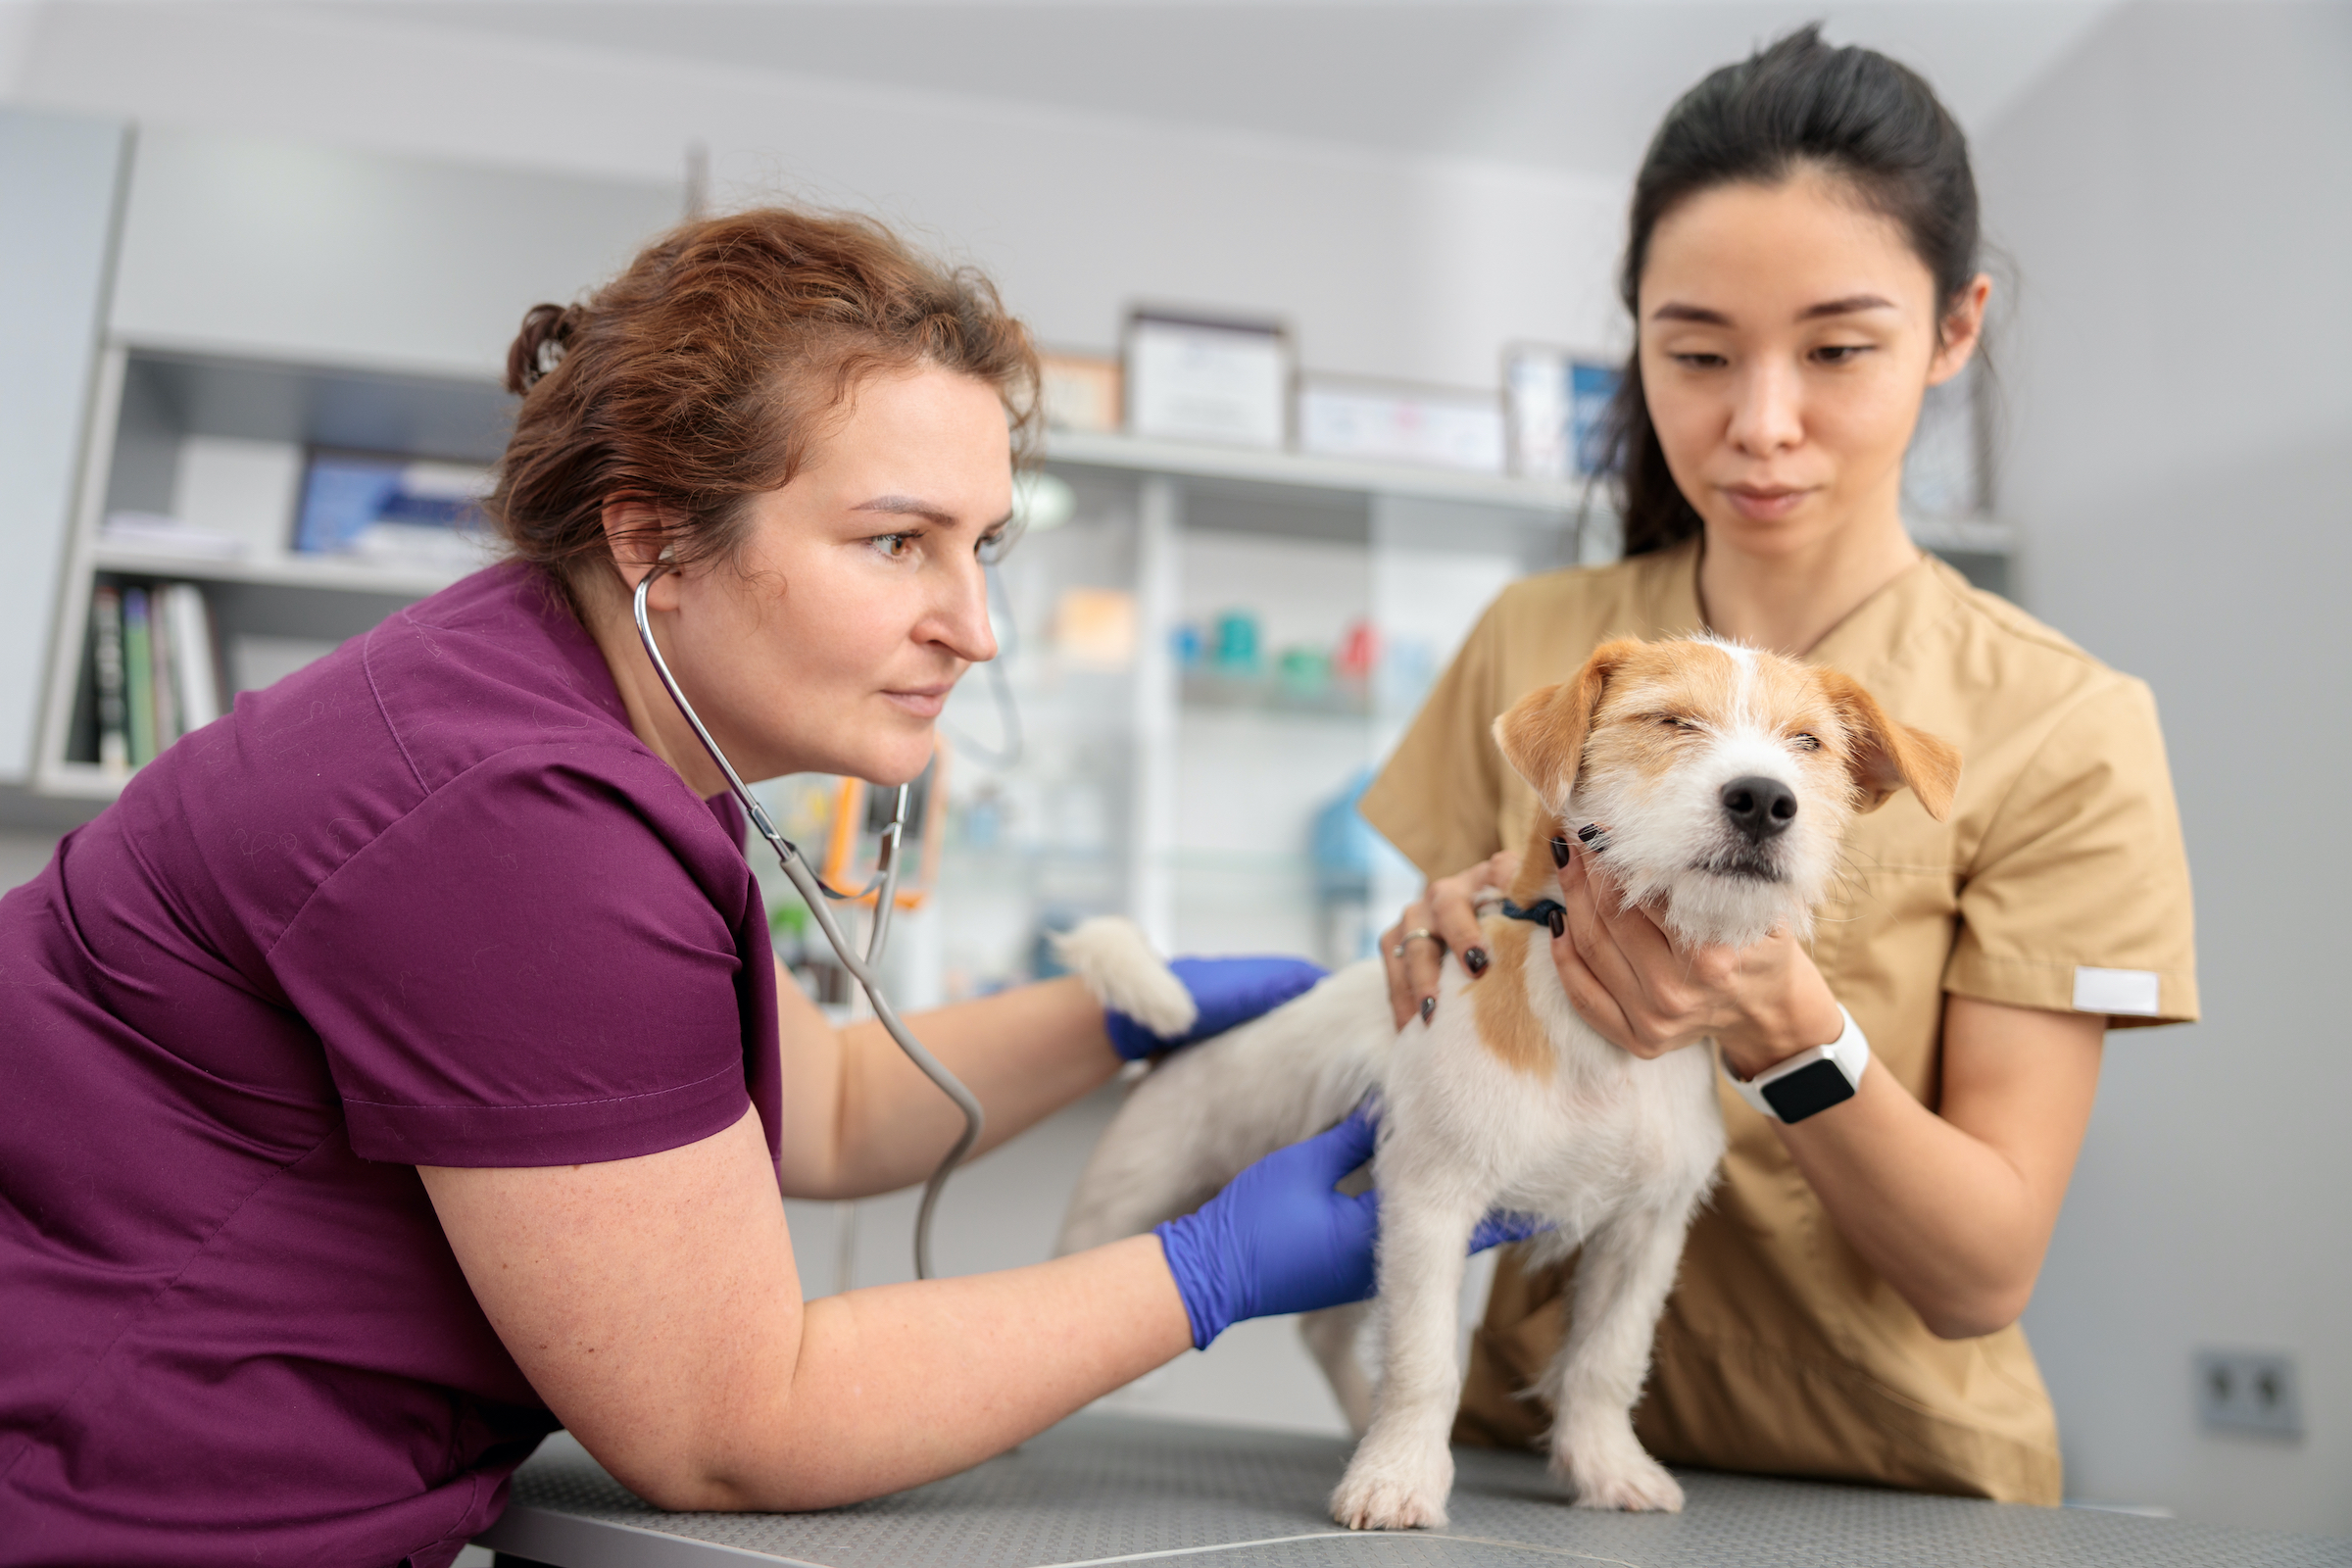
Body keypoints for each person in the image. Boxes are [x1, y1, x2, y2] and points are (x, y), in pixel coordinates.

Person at [0, 209, 1524, 1566]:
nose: (974, 626)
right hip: (119, 1508)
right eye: (895, 544)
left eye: (983, 546)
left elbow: (837, 1106)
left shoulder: (591, 734)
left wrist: (1128, 1014)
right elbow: (728, 1424)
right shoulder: (521, 823)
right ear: (657, 537)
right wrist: (1212, 1267)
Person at [1361, 27, 2196, 1506]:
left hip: (1886, 1471)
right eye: (1695, 352)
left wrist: (1790, 1035)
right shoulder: (1535, 646)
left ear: (1955, 329)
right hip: (1505, 1463)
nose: (1759, 422)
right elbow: (1443, 979)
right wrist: (1425, 963)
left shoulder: (2062, 725)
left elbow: (1982, 1270)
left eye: (1837, 349)